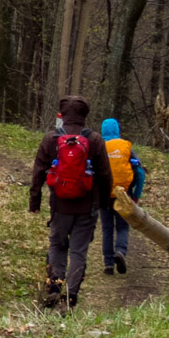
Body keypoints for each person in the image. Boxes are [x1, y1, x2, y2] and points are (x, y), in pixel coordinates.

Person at [29, 95, 114, 310]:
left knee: (57, 245)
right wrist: (103, 203)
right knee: (78, 251)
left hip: (59, 206)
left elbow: (38, 171)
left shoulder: (51, 139)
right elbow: (105, 175)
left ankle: (55, 286)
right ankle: (71, 295)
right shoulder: (94, 140)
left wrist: (35, 201)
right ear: (85, 115)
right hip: (88, 207)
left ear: (63, 114)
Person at [99, 118, 146, 276]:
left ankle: (108, 264)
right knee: (122, 227)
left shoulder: (99, 146)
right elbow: (139, 173)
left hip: (104, 194)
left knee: (106, 229)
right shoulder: (126, 146)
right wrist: (136, 196)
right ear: (118, 130)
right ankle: (120, 252)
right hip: (123, 194)